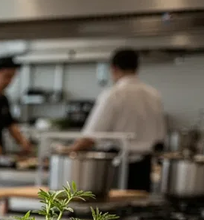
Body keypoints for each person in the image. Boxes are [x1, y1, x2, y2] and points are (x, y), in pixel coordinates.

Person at [69, 48, 166, 191]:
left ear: (113, 69)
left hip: (117, 167)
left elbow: (91, 136)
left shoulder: (113, 94)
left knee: (113, 211)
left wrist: (68, 151)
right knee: (139, 208)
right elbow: (160, 137)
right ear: (137, 68)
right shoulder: (154, 95)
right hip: (144, 168)